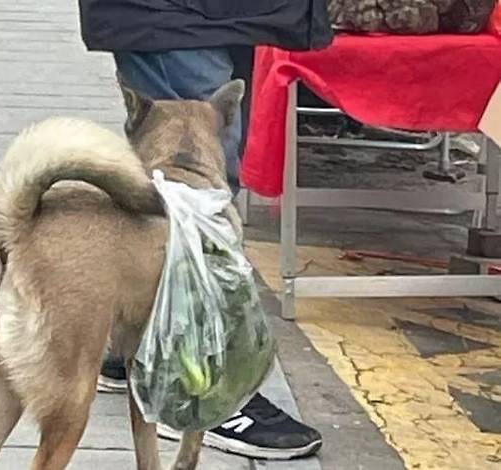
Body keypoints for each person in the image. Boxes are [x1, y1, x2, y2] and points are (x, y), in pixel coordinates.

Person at [78, 0, 333, 460]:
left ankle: (135, 345)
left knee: (190, 181)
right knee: (194, 189)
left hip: (229, 14)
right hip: (178, 14)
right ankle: (201, 389)